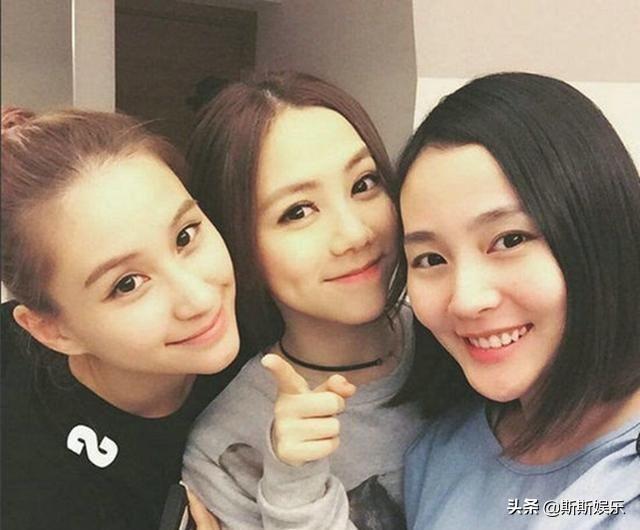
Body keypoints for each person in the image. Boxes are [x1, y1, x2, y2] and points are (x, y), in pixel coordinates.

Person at [182, 71, 425, 529]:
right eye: (297, 212)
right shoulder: (228, 447)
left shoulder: (458, 339)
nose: (355, 234)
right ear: (237, 243)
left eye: (364, 183)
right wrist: (294, 487)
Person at [397, 72, 640, 529]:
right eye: (430, 258)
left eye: (509, 240)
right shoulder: (437, 454)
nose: (466, 300)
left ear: (599, 233)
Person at [1, 107, 241, 530]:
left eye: (185, 236)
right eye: (127, 284)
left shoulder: (276, 350)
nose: (200, 299)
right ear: (53, 330)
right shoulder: (34, 488)